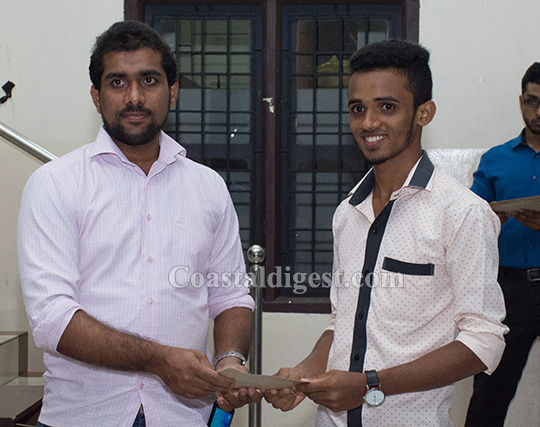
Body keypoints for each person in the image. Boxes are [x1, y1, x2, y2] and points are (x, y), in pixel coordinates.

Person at [17, 20, 259, 427]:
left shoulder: (208, 187)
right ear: (96, 96)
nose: (134, 97)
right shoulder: (55, 184)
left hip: (184, 416)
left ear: (173, 91)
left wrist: (230, 361)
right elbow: (52, 317)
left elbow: (230, 295)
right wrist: (159, 360)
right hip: (84, 416)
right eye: (117, 82)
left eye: (149, 80)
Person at [264, 39, 508, 427]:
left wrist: (369, 384)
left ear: (424, 113)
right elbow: (343, 322)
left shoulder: (463, 213)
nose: (368, 123)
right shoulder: (347, 213)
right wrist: (305, 373)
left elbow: (483, 341)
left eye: (387, 107)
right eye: (358, 108)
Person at [464, 62, 540, 427]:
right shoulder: (495, 159)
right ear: (521, 101)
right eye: (532, 101)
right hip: (509, 290)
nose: (539, 111)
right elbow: (468, 220)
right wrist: (493, 218)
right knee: (489, 397)